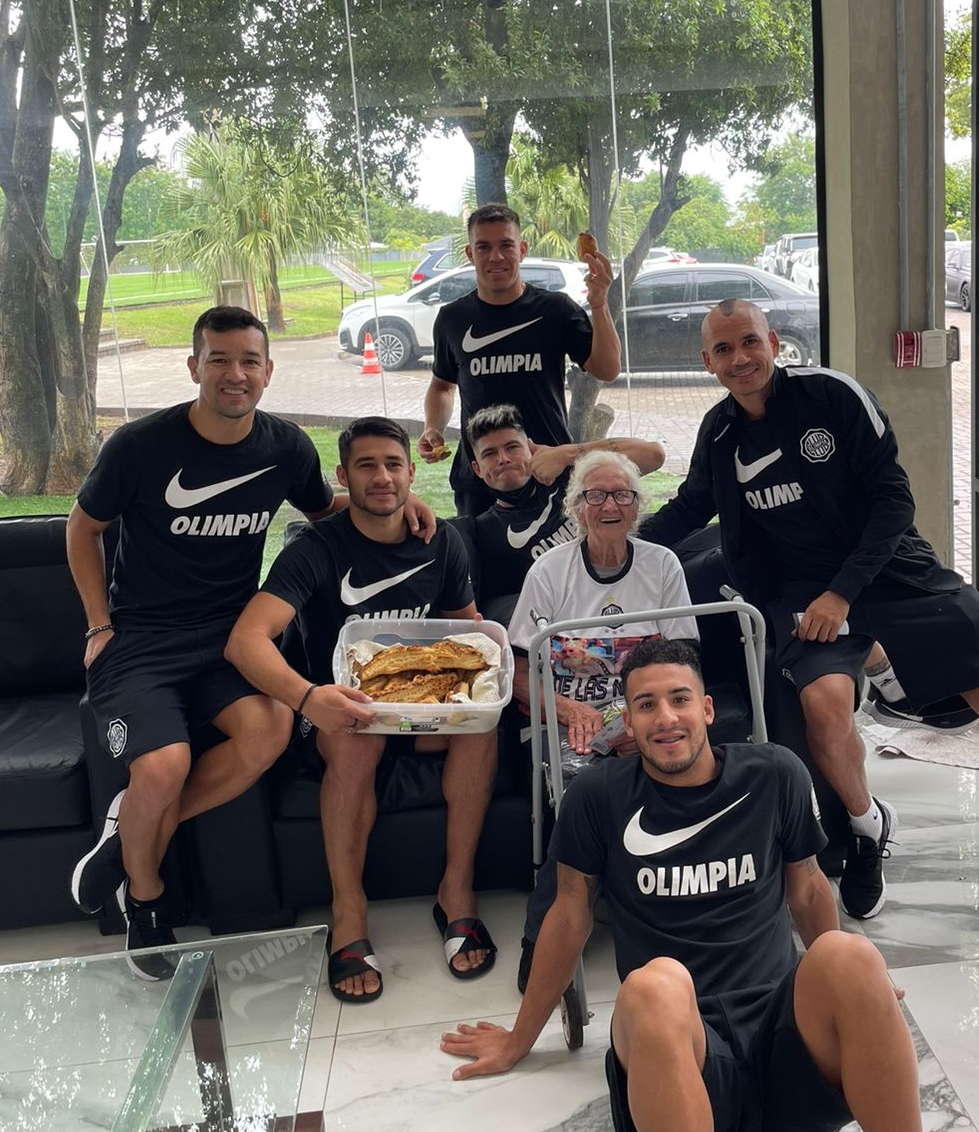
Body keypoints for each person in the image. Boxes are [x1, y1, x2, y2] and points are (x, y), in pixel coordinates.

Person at [638, 298, 979, 924]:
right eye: (723, 350)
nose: (739, 358)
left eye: (748, 342)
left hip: (894, 569)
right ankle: (863, 826)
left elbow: (893, 499)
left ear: (772, 341)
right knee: (824, 705)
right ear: (707, 363)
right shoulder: (719, 435)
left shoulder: (834, 396)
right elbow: (691, 507)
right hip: (801, 589)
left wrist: (845, 592)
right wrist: (617, 544)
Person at [442, 638, 923, 1132]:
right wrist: (519, 1039)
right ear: (627, 723)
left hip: (779, 1033)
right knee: (654, 986)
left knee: (855, 957)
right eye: (646, 705)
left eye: (680, 699)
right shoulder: (597, 795)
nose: (666, 718)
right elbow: (568, 917)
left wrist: (855, 991)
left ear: (707, 709)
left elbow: (808, 889)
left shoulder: (776, 773)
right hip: (677, 1044)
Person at [68, 308, 343, 979]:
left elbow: (327, 511)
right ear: (193, 367)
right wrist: (98, 623)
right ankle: (146, 895)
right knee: (161, 766)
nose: (235, 373)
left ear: (268, 371)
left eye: (249, 360)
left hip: (227, 640)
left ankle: (128, 826)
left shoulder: (286, 447)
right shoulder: (139, 446)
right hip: (142, 640)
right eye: (219, 359)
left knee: (271, 727)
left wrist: (396, 506)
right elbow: (82, 528)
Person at [225, 417, 497, 1002]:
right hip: (340, 711)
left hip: (424, 713)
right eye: (367, 466)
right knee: (355, 735)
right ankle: (349, 913)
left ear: (411, 473)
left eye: (393, 465)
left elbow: (468, 635)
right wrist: (307, 696)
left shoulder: (441, 540)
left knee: (483, 726)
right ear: (342, 477)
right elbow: (245, 640)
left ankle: (458, 891)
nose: (382, 477)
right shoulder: (314, 549)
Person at [506, 450, 700, 991]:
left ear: (637, 507)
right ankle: (541, 937)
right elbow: (519, 674)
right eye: (595, 495)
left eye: (622, 495)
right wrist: (567, 709)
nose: (609, 505)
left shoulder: (662, 565)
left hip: (648, 715)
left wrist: (636, 723)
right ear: (577, 508)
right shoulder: (549, 571)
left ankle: (680, 923)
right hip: (567, 720)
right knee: (581, 795)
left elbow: (683, 664)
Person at [417, 204, 621, 515]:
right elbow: (443, 386)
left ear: (522, 249)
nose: (495, 256)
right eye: (483, 247)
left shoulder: (556, 309)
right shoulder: (452, 318)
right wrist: (433, 427)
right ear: (470, 254)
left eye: (506, 245)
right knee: (483, 563)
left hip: (547, 469)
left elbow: (607, 369)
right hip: (481, 477)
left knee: (560, 564)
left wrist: (599, 303)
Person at [462, 402, 665, 622]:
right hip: (567, 625)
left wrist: (568, 454)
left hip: (631, 592)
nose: (503, 459)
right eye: (490, 454)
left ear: (530, 449)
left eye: (512, 447)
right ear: (477, 469)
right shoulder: (482, 533)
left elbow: (653, 454)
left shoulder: (573, 481)